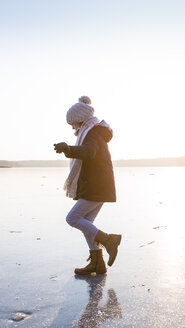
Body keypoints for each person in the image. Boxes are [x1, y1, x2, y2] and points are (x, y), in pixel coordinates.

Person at [54, 96, 121, 275]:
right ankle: (97, 263)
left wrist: (68, 148)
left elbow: (88, 153)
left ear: (81, 120)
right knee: (87, 223)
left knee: (73, 218)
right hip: (97, 186)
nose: (73, 128)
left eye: (73, 124)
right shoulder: (93, 131)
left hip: (96, 187)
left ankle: (109, 241)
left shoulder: (93, 133)